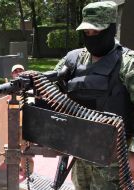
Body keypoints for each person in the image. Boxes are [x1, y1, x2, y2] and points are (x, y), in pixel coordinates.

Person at [53, 1, 134, 189]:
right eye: (87, 32)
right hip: (80, 154)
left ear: (111, 28)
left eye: (96, 32)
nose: (91, 37)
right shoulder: (73, 59)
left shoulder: (127, 63)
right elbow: (48, 87)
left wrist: (132, 154)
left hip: (114, 159)